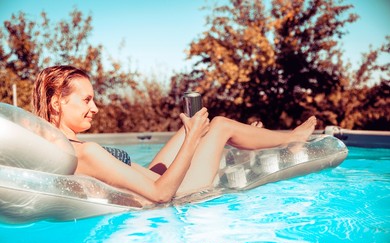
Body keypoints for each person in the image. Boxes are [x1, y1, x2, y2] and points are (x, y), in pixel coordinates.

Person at [32, 65, 317, 203]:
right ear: (57, 102)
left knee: (190, 124)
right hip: (177, 189)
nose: (96, 108)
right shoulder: (86, 152)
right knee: (219, 125)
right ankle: (290, 138)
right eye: (86, 100)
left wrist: (189, 135)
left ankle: (246, 141)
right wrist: (193, 141)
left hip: (151, 174)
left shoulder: (66, 146)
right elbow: (161, 194)